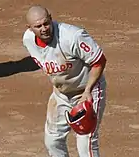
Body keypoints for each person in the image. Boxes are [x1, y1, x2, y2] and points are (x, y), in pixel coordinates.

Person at [23, 5, 107, 157]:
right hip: (61, 94)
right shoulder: (28, 40)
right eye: (38, 26)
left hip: (88, 90)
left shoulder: (72, 36)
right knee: (53, 141)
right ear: (29, 28)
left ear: (51, 18)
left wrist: (87, 91)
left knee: (85, 141)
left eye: (46, 23)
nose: (44, 29)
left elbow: (99, 61)